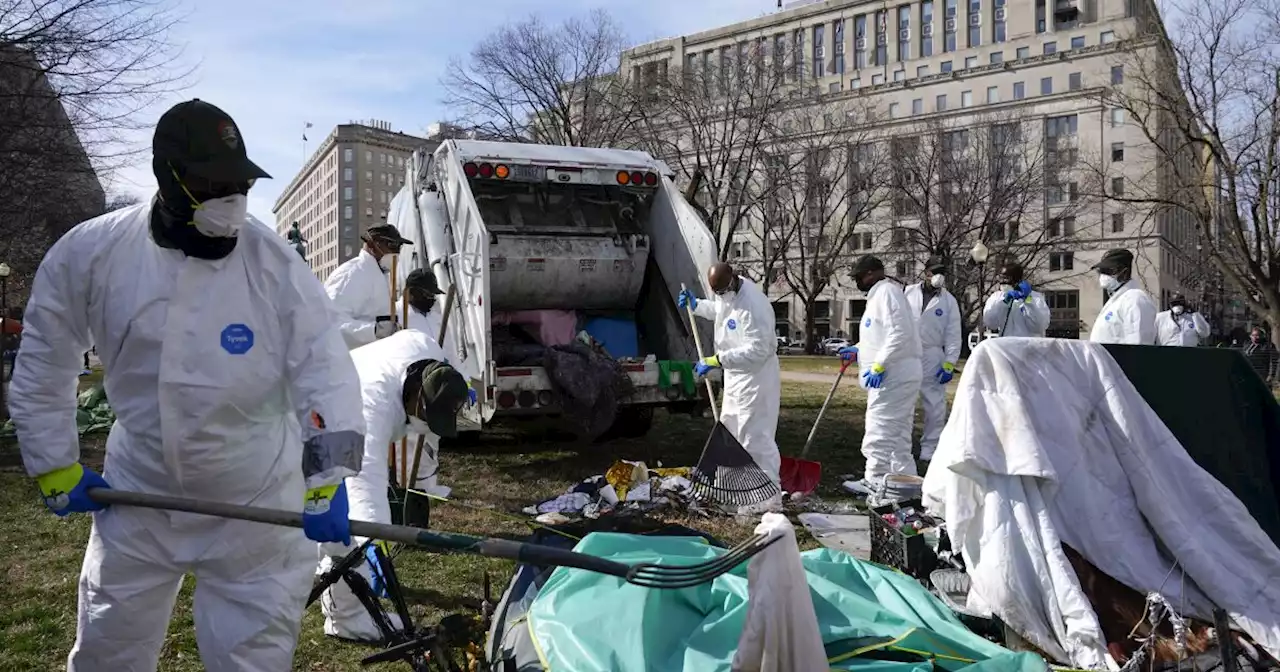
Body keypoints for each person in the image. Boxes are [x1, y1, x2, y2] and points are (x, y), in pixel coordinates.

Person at [7, 99, 367, 672]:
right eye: (212, 183)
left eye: (238, 183)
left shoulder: (274, 264)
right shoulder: (90, 254)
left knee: (249, 659)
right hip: (140, 496)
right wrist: (52, 461)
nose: (231, 200)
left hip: (253, 500)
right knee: (109, 650)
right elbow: (46, 360)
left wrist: (328, 474)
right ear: (167, 177)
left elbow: (323, 368)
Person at [319, 332, 469, 642]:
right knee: (344, 523)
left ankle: (327, 576)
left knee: (333, 519)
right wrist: (376, 542)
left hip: (334, 401)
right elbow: (366, 483)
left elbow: (433, 355)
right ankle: (346, 619)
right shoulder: (371, 407)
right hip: (323, 422)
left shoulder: (427, 352)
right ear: (415, 394)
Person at [677, 263, 782, 504]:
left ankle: (768, 499)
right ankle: (737, 491)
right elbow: (722, 312)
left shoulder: (754, 305)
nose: (722, 296)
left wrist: (718, 359)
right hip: (735, 376)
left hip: (756, 379)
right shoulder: (729, 293)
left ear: (733, 279)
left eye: (723, 291)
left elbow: (759, 350)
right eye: (718, 293)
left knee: (754, 436)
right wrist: (698, 306)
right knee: (731, 431)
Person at [841, 255, 923, 495]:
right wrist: (858, 349)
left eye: (858, 276)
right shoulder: (880, 295)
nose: (857, 281)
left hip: (893, 374)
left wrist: (879, 365)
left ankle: (874, 479)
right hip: (897, 372)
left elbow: (900, 333)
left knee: (880, 427)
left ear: (870, 274)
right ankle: (905, 482)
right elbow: (879, 335)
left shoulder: (887, 292)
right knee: (897, 432)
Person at [904, 257, 961, 463]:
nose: (937, 277)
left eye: (941, 273)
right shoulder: (907, 293)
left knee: (934, 405)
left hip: (932, 355)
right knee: (903, 401)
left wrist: (949, 363)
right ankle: (901, 446)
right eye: (933, 272)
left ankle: (930, 446)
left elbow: (954, 334)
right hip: (907, 353)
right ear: (925, 272)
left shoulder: (949, 301)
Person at [325, 223, 414, 350]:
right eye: (391, 246)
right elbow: (332, 324)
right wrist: (375, 330)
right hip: (354, 361)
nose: (396, 252)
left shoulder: (382, 275)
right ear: (372, 245)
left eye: (399, 247)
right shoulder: (351, 274)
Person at [1088, 248, 1157, 344]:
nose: (1103, 275)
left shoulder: (1135, 300)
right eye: (1101, 271)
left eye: (1109, 271)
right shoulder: (1117, 300)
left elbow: (1139, 343)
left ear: (1124, 272)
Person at [983, 261, 1051, 338]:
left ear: (1017, 280)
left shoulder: (1035, 297)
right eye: (1000, 278)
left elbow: (1040, 326)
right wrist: (1004, 302)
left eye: (1005, 278)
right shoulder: (996, 297)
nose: (1001, 282)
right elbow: (990, 323)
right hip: (1007, 346)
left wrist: (1027, 300)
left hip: (1029, 346)